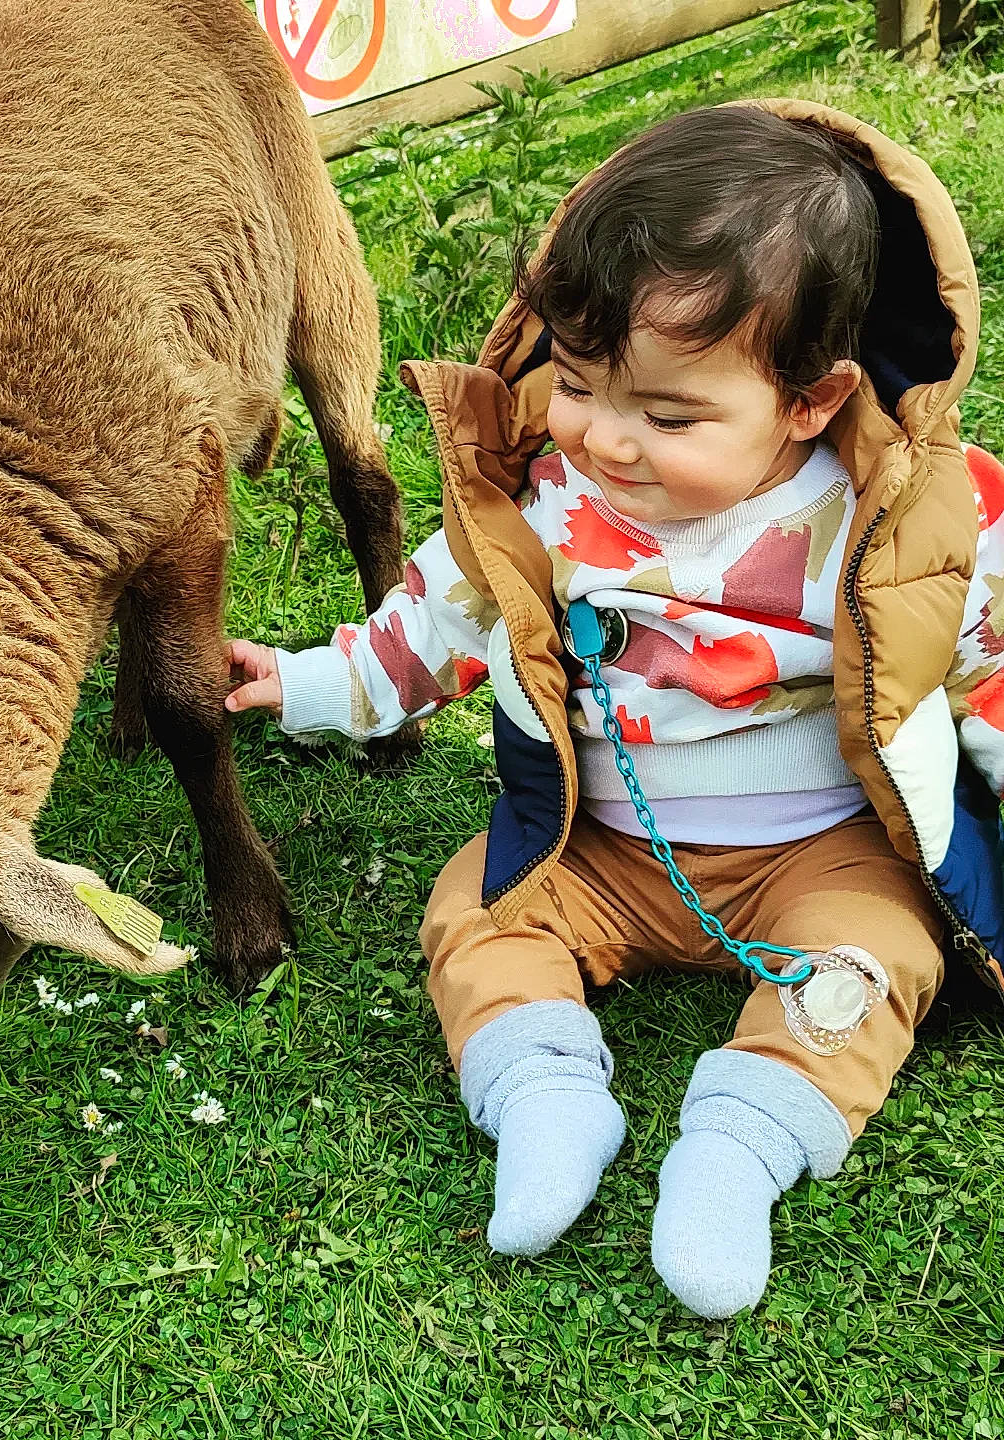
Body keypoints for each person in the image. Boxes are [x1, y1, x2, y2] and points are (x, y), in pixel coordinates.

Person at [224, 100, 1004, 1317]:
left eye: (671, 414)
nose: (610, 441)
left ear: (808, 400)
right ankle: (546, 1095)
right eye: (581, 387)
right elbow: (435, 620)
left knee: (874, 958)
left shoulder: (904, 518)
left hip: (824, 846)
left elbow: (990, 643)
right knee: (475, 913)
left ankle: (742, 1144)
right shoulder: (543, 503)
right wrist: (309, 681)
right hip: (597, 843)